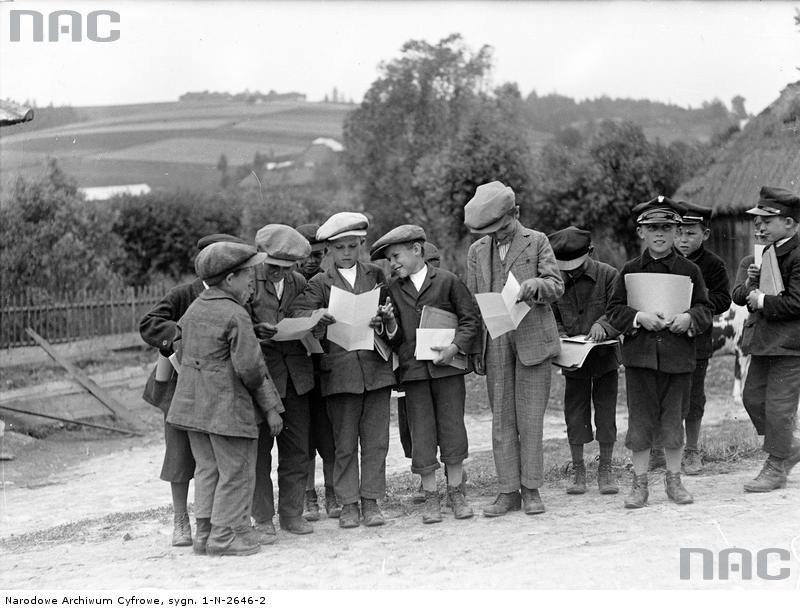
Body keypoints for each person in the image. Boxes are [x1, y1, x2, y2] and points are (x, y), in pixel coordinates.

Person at [167, 241, 284, 556]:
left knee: (208, 470)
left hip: (192, 410)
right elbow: (251, 369)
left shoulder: (195, 307)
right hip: (225, 410)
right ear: (230, 279)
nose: (251, 282)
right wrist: (271, 408)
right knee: (236, 471)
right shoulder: (235, 314)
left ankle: (203, 535)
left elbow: (180, 351)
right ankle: (224, 538)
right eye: (247, 275)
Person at [464, 181, 564, 517]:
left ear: (516, 214)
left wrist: (535, 285)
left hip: (532, 339)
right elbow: (472, 303)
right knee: (501, 420)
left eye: (503, 227)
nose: (499, 235)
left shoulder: (537, 241)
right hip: (495, 342)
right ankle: (507, 490)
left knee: (531, 419)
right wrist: (477, 349)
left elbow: (556, 284)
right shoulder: (477, 251)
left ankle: (531, 489)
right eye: (491, 230)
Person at [290, 212, 396, 528]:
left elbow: (393, 316)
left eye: (353, 246)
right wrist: (319, 317)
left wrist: (385, 320)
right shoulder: (320, 283)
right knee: (344, 444)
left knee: (376, 442)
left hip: (375, 370)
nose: (347, 253)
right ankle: (349, 504)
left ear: (361, 244)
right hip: (338, 373)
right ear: (330, 250)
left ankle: (371, 502)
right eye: (340, 248)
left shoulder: (376, 275)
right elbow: (298, 314)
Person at [138, 233, 244, 547]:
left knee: (218, 454)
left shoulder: (237, 294)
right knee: (180, 453)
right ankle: (180, 520)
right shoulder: (185, 293)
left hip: (217, 384)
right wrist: (182, 337)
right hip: (179, 385)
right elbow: (149, 323)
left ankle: (216, 519)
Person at [606, 196, 712, 509]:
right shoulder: (629, 270)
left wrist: (689, 319)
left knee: (673, 421)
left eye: (667, 227)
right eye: (652, 227)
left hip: (678, 360)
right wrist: (638, 317)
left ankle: (674, 479)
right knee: (640, 422)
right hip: (640, 359)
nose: (660, 234)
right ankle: (639, 484)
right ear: (641, 232)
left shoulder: (690, 270)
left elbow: (705, 308)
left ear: (678, 230)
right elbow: (613, 310)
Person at [370, 226, 480, 523]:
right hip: (414, 374)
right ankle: (431, 497)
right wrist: (389, 324)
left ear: (417, 249)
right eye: (389, 260)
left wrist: (455, 347)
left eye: (396, 256)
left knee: (453, 429)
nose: (392, 264)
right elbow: (392, 339)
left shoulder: (448, 282)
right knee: (422, 433)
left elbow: (471, 320)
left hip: (448, 372)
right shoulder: (390, 289)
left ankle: (456, 493)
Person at [248, 224, 317, 538]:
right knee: (260, 453)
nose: (279, 274)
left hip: (296, 379)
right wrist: (255, 330)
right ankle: (262, 519)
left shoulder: (298, 281)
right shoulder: (247, 281)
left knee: (297, 450)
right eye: (273, 267)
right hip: (261, 379)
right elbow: (236, 325)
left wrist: (316, 321)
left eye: (285, 269)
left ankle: (292, 514)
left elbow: (304, 315)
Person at [731, 186, 800, 492]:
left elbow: (797, 303)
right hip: (765, 343)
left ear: (790, 223)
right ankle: (790, 445)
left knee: (779, 408)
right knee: (753, 398)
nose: (759, 225)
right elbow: (743, 296)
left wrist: (760, 301)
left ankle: (776, 466)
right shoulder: (764, 253)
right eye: (757, 220)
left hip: (791, 346)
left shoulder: (798, 255)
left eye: (767, 220)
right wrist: (751, 289)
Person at [548, 226, 621, 495]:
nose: (570, 272)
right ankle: (579, 471)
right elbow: (551, 316)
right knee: (574, 413)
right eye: (564, 267)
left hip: (605, 357)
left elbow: (618, 310)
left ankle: (606, 469)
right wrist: (559, 334)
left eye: (576, 266)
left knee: (606, 412)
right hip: (572, 360)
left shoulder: (609, 275)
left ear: (590, 253)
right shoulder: (554, 281)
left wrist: (604, 324)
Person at [672, 202, 731, 475]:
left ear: (705, 234)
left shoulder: (714, 265)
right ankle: (664, 448)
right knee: (666, 394)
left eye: (691, 233)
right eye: (680, 233)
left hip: (696, 339)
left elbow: (723, 299)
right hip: (666, 338)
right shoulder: (664, 259)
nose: (684, 239)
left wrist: (698, 300)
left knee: (694, 396)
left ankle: (692, 449)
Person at [294, 223, 340, 520]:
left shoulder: (331, 281)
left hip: (328, 366)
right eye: (307, 255)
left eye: (318, 254)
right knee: (304, 436)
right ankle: (308, 495)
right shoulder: (293, 283)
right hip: (299, 368)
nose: (312, 260)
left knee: (331, 434)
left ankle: (333, 493)